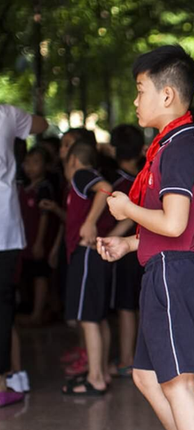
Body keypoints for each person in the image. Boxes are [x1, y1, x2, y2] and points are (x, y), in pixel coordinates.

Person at [96, 45, 194, 430]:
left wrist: (127, 211)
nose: (135, 99)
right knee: (146, 376)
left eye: (140, 89)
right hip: (167, 268)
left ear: (166, 94)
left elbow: (175, 223)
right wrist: (129, 243)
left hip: (174, 273)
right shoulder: (169, 143)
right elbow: (168, 227)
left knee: (178, 384)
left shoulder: (179, 146)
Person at [0, 105, 47, 407]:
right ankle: (1, 383)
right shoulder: (6, 115)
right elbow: (41, 125)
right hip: (4, 228)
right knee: (3, 308)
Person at [60, 142, 115, 395]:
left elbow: (105, 188)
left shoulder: (81, 175)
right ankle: (100, 371)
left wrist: (90, 222)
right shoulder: (82, 180)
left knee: (88, 319)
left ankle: (95, 378)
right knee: (98, 317)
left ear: (73, 160)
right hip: (94, 255)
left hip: (86, 254)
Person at [107, 124, 144, 378]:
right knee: (141, 304)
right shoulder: (145, 177)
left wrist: (111, 238)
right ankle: (142, 357)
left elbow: (129, 217)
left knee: (126, 306)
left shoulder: (118, 182)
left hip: (127, 248)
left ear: (113, 150)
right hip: (147, 246)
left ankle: (128, 359)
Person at [17, 146, 57, 326]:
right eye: (27, 162)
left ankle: (38, 313)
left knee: (40, 275)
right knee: (28, 274)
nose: (30, 167)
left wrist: (40, 242)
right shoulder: (22, 187)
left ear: (45, 166)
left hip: (37, 240)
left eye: (36, 163)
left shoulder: (44, 188)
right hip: (24, 239)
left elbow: (44, 217)